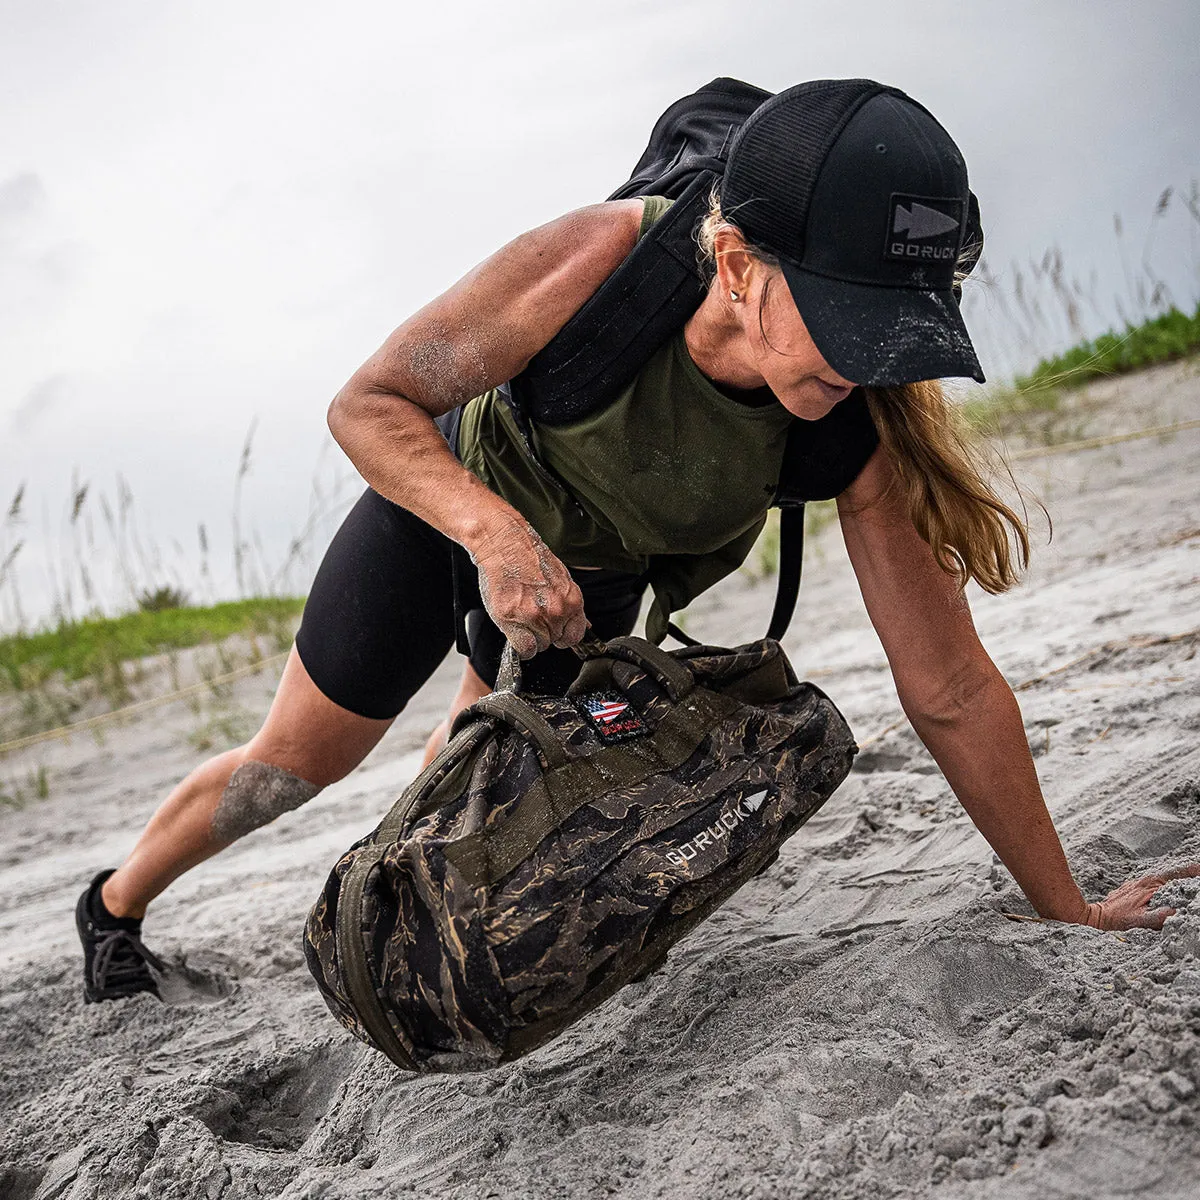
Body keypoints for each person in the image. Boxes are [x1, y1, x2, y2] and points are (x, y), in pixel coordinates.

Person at [76, 79, 1196, 1004]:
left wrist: (1070, 906)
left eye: (893, 333)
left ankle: (384, 931)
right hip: (444, 516)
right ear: (740, 261)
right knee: (285, 773)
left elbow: (949, 686)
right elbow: (367, 406)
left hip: (585, 596)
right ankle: (116, 909)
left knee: (467, 795)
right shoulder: (609, 260)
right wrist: (494, 534)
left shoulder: (850, 427)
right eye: (847, 321)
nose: (866, 364)